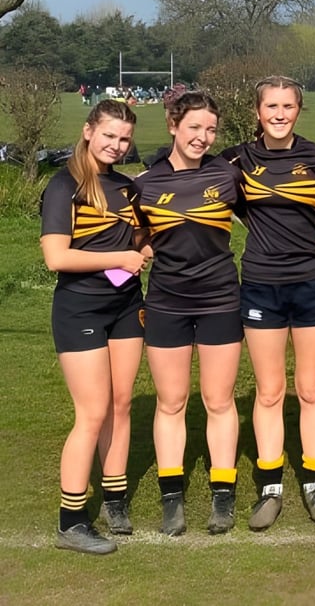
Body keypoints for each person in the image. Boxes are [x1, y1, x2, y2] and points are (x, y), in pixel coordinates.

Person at [220, 76, 315, 531]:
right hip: (262, 284)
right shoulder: (237, 160)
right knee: (269, 391)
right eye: (271, 105)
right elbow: (190, 182)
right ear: (257, 111)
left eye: (288, 105)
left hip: (313, 280)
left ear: (299, 110)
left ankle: (314, 482)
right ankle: (270, 488)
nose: (280, 113)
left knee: (310, 388)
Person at [40, 100, 150, 555]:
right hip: (80, 310)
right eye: (109, 135)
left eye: (124, 138)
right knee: (92, 412)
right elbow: (56, 258)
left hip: (127, 306)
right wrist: (121, 258)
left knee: (121, 405)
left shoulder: (126, 187)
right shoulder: (64, 185)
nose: (117, 145)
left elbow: (139, 240)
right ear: (88, 131)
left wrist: (146, 247)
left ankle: (115, 499)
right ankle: (71, 521)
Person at [132, 91, 244, 536]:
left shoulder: (227, 175)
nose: (203, 137)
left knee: (219, 401)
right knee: (171, 402)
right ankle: (171, 496)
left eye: (211, 130)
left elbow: (273, 217)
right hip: (166, 302)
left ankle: (223, 495)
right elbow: (134, 238)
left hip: (220, 298)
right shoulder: (144, 184)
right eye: (194, 127)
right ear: (173, 125)